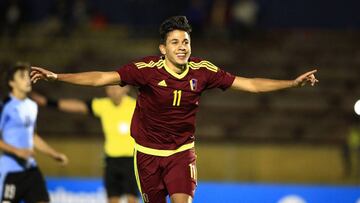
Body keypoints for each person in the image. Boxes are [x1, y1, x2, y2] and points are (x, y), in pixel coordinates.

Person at [30, 16, 318, 203]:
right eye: (175, 42)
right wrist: (58, 76)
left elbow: (251, 84)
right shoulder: (145, 70)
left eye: (185, 42)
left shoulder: (204, 71)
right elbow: (102, 78)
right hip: (147, 155)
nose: (182, 47)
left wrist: (292, 83)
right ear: (163, 48)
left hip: (181, 153)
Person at [31, 85, 139, 203]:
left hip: (131, 160)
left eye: (116, 87)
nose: (113, 91)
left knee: (131, 199)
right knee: (112, 199)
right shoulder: (102, 105)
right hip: (111, 160)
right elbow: (78, 106)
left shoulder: (136, 105)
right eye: (109, 88)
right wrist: (47, 102)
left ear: (126, 88)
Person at [0, 62, 69, 203]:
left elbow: (32, 136)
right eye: (22, 77)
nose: (27, 79)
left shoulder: (31, 106)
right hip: (10, 172)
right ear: (11, 83)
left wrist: (54, 154)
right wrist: (17, 151)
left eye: (27, 76)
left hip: (31, 170)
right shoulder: (5, 106)